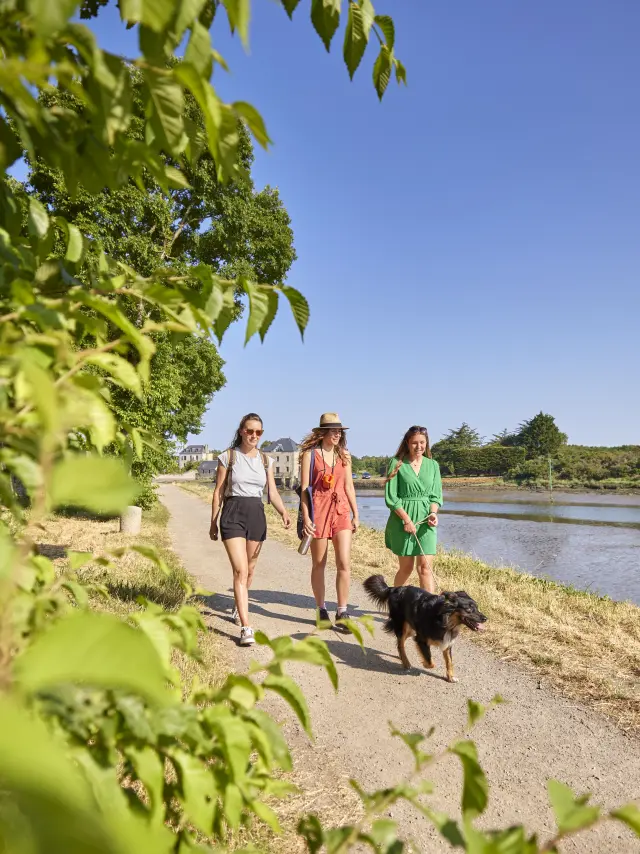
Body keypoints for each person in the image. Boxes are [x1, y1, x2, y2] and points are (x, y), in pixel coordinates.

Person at [210, 413, 291, 646]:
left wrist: (284, 512)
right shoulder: (228, 457)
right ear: (241, 431)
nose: (254, 435)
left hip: (256, 515)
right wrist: (213, 522)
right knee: (240, 571)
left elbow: (272, 493)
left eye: (259, 432)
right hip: (233, 513)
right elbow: (218, 491)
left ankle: (238, 605)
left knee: (251, 570)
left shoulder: (266, 460)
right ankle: (246, 627)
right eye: (250, 431)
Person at [299, 412, 359, 629]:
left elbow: (348, 486)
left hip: (341, 509)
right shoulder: (310, 455)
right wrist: (306, 517)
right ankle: (321, 608)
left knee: (344, 562)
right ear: (323, 432)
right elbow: (304, 490)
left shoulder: (344, 456)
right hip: (319, 510)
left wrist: (355, 513)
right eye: (333, 430)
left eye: (339, 431)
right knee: (319, 563)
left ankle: (342, 611)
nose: (337, 434)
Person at [384, 425, 443, 593]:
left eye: (422, 442)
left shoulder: (433, 465)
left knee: (425, 568)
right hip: (402, 521)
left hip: (426, 522)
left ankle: (430, 612)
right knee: (407, 568)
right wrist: (407, 520)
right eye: (414, 443)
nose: (419, 447)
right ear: (407, 443)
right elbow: (391, 497)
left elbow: (435, 496)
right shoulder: (396, 463)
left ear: (427, 443)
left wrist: (433, 513)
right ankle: (394, 603)